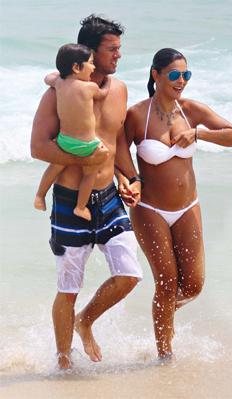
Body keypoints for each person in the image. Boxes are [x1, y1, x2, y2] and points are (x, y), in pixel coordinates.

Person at [29, 14, 143, 370]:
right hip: (68, 201)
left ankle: (86, 321)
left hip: (109, 198)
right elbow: (38, 147)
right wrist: (82, 158)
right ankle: (64, 361)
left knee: (129, 274)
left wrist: (131, 177)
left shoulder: (120, 89)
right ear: (89, 54)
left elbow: (118, 139)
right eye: (112, 50)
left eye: (119, 49)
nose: (118, 56)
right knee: (68, 288)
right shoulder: (58, 93)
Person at [123, 48, 232, 359]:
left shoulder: (190, 111)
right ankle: (165, 356)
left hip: (188, 206)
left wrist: (199, 135)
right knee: (166, 283)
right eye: (174, 75)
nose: (181, 81)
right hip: (150, 209)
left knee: (193, 285)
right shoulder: (137, 115)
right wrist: (130, 181)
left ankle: (163, 316)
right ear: (156, 75)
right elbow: (117, 152)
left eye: (186, 75)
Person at [34, 43, 111, 221]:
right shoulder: (89, 88)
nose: (93, 67)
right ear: (76, 67)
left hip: (64, 141)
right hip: (88, 145)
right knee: (90, 173)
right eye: (91, 63)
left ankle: (39, 196)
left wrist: (58, 76)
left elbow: (48, 77)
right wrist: (107, 82)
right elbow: (103, 94)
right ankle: (80, 207)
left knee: (55, 167)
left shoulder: (59, 83)